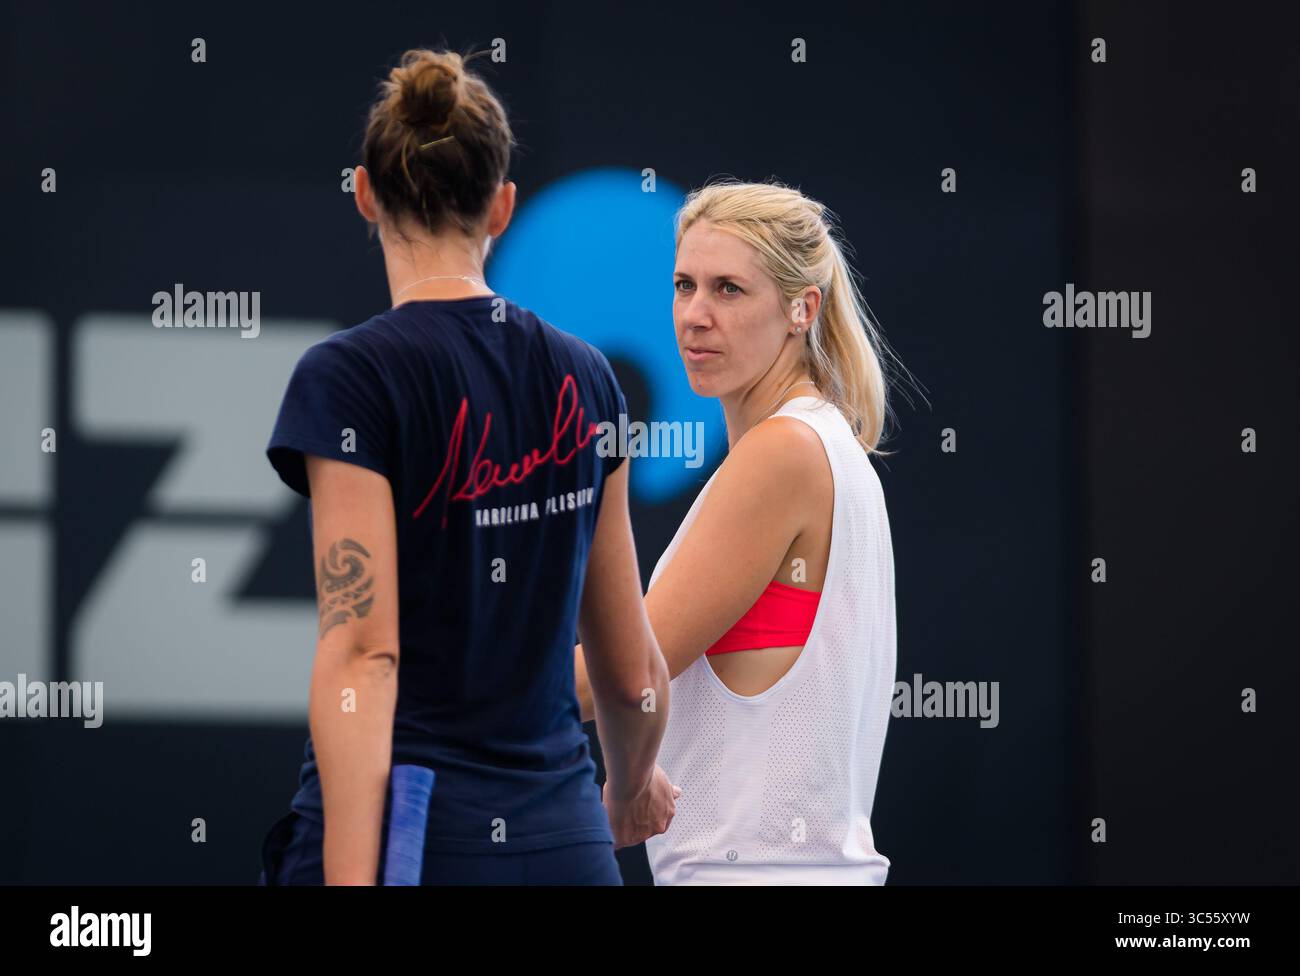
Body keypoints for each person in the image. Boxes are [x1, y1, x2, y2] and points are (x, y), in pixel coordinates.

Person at [257, 47, 676, 886]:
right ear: (502, 207)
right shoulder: (591, 379)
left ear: (366, 192)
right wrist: (630, 788)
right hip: (565, 848)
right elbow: (634, 680)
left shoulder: (349, 380)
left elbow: (362, 657)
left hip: (414, 849)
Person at [576, 179, 909, 884]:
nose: (694, 315)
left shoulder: (782, 455)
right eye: (684, 285)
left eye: (728, 289)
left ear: (801, 308)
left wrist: (456, 694)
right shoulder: (824, 449)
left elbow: (626, 675)